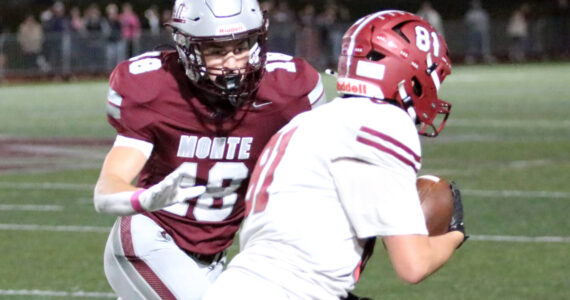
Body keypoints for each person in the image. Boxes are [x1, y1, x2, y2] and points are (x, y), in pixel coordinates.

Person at [203, 10, 467, 300]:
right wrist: (455, 232)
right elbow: (413, 264)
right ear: (413, 73)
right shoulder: (385, 122)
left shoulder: (306, 122)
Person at [92, 0, 327, 299]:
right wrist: (144, 198)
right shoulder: (154, 89)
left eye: (241, 47)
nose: (231, 63)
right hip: (150, 240)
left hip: (216, 258)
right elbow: (106, 191)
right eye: (216, 51)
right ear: (186, 48)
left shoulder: (288, 91)